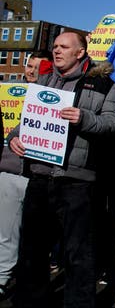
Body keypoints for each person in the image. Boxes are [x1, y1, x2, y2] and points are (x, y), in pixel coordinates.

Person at [8, 33, 115, 307]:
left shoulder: (105, 85)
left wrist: (84, 118)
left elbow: (112, 124)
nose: (57, 51)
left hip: (77, 182)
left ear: (80, 53)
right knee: (32, 253)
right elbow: (24, 122)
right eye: (55, 46)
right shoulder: (43, 83)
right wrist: (14, 136)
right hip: (40, 176)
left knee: (78, 255)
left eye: (64, 47)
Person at [0, 51, 53, 300]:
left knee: (34, 239)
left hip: (40, 175)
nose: (31, 71)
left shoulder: (54, 97)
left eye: (38, 67)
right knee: (6, 232)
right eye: (29, 66)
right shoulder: (9, 92)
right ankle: (2, 279)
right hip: (10, 170)